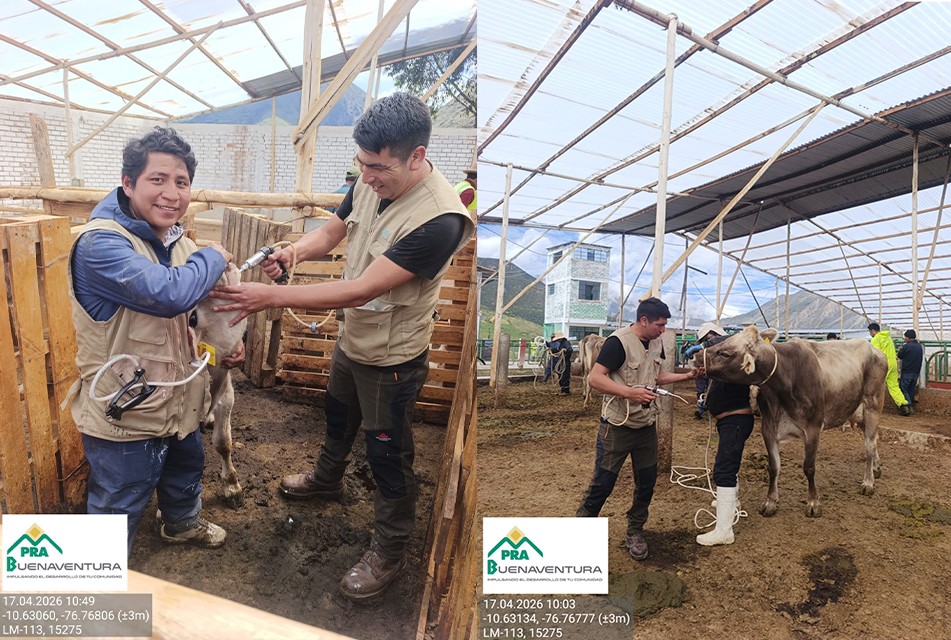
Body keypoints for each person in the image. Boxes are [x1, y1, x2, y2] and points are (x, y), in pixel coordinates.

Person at [209, 93, 475, 601]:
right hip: (355, 339)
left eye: (378, 167)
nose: (366, 176)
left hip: (393, 358)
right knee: (337, 412)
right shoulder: (369, 181)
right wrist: (294, 250)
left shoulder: (440, 220)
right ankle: (327, 479)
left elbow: (362, 288)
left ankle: (390, 550)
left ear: (416, 156)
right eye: (362, 164)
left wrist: (270, 296)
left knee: (387, 450)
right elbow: (332, 232)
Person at [69, 126, 244, 554]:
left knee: (185, 473)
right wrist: (214, 255)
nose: (171, 193)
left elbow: (194, 317)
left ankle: (181, 524)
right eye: (158, 179)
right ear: (128, 183)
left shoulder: (176, 241)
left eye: (181, 182)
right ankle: (95, 581)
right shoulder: (100, 245)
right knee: (119, 499)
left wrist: (223, 349)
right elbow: (168, 295)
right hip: (126, 413)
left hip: (180, 401)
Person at [576, 297, 700, 561]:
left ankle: (635, 530)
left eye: (664, 325)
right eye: (659, 324)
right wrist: (629, 393)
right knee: (603, 483)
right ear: (644, 320)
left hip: (645, 426)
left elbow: (655, 377)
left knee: (646, 483)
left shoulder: (656, 343)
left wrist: (686, 376)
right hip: (617, 427)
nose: (663, 330)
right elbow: (594, 378)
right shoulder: (618, 343)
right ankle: (581, 531)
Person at [690, 327, 754, 546]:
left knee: (724, 470)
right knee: (729, 466)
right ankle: (731, 502)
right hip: (730, 422)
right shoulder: (724, 364)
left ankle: (724, 531)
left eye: (711, 339)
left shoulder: (736, 355)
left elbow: (732, 339)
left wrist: (706, 345)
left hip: (735, 421)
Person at [682, 323, 727, 419]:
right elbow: (701, 377)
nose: (708, 341)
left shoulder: (731, 342)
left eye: (708, 338)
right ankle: (702, 403)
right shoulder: (709, 353)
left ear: (716, 333)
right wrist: (700, 395)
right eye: (704, 340)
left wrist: (704, 345)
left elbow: (724, 340)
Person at [868, 322, 911, 416]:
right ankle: (904, 404)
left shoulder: (876, 339)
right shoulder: (888, 338)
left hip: (883, 364)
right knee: (893, 386)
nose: (870, 334)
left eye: (870, 332)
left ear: (873, 331)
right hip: (893, 363)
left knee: (875, 385)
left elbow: (875, 354)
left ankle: (871, 405)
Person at [897, 329, 923, 412]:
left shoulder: (907, 346)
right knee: (911, 390)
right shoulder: (919, 346)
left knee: (903, 389)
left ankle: (908, 406)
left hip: (907, 371)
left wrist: (900, 349)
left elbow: (900, 355)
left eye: (905, 337)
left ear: (908, 337)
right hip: (916, 372)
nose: (905, 339)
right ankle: (911, 406)